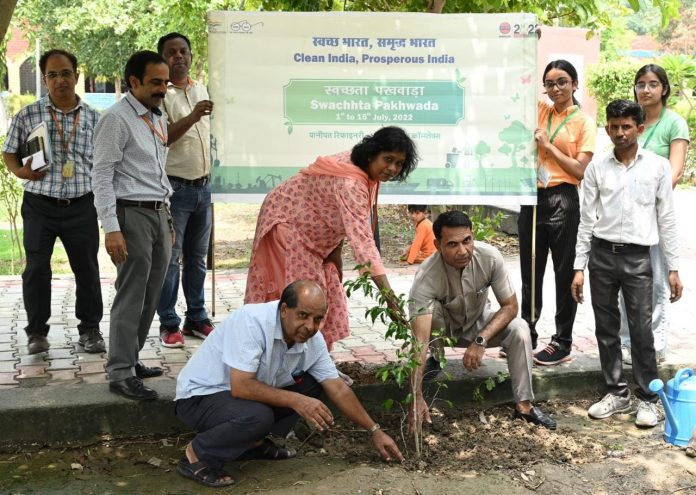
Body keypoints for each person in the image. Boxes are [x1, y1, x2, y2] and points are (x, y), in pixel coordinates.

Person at [175, 280, 403, 488]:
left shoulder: (314, 341)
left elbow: (338, 387)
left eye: (317, 319)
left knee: (315, 383)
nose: (310, 326)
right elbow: (242, 386)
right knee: (259, 415)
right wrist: (298, 401)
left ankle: (251, 443)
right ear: (284, 310)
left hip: (238, 400)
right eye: (302, 315)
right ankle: (198, 454)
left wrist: (375, 430)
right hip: (199, 397)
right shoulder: (252, 321)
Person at [93, 51, 206, 401]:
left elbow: (156, 172)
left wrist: (167, 217)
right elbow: (101, 175)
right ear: (134, 82)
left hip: (158, 213)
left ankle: (131, 358)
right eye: (155, 82)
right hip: (130, 216)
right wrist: (111, 227)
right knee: (132, 293)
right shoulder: (116, 119)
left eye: (165, 82)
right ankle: (120, 373)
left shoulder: (156, 116)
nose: (162, 89)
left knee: (153, 291)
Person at [245, 126, 418, 350]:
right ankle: (290, 361)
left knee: (325, 287)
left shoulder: (360, 166)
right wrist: (390, 299)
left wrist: (334, 250)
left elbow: (337, 212)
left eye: (399, 163)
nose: (392, 168)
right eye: (388, 159)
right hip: (288, 227)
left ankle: (315, 359)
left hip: (314, 234)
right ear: (371, 154)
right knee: (300, 298)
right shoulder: (351, 184)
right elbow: (364, 244)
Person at [571, 99, 683, 428]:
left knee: (641, 329)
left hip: (639, 257)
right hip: (602, 257)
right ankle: (616, 393)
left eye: (626, 127)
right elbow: (586, 220)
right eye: (614, 127)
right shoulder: (596, 168)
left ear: (639, 128)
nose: (620, 133)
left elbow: (667, 219)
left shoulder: (658, 167)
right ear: (607, 128)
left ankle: (649, 398)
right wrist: (579, 267)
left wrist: (673, 267)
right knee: (605, 327)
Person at [408, 211, 556, 431]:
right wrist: (416, 397)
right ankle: (437, 358)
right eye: (452, 244)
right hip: (442, 331)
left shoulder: (490, 257)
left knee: (521, 328)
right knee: (431, 313)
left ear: (472, 236)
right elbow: (419, 341)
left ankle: (524, 405)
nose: (462, 251)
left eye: (467, 241)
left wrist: (481, 340)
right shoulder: (425, 276)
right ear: (438, 245)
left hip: (479, 324)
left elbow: (510, 306)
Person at [2, 49, 104, 355]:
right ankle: (36, 333)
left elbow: (104, 162)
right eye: (52, 75)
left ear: (76, 75)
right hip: (39, 205)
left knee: (86, 269)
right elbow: (9, 151)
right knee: (36, 269)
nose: (60, 80)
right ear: (45, 79)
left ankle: (90, 330)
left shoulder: (94, 119)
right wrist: (20, 171)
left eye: (65, 73)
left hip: (82, 205)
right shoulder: (29, 114)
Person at [517, 59, 597, 366]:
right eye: (549, 83)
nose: (555, 88)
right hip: (531, 197)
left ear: (575, 84)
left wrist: (549, 147)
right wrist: (524, 44)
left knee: (564, 273)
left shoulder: (584, 122)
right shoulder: (541, 110)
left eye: (562, 81)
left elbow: (578, 170)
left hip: (563, 198)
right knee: (530, 270)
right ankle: (527, 333)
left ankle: (562, 341)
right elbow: (517, 84)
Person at [619, 64, 690, 365]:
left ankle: (656, 343)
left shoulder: (675, 123)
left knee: (657, 279)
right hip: (625, 213)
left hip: (657, 212)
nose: (645, 90)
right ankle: (625, 342)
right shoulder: (630, 120)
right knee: (625, 278)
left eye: (652, 84)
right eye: (640, 84)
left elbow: (673, 173)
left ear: (664, 88)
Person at [155, 32, 215, 348]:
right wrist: (193, 115)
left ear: (191, 56)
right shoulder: (160, 95)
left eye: (183, 51)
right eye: (171, 52)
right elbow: (165, 136)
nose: (178, 56)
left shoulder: (201, 88)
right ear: (162, 59)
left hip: (204, 187)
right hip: (175, 189)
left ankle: (197, 317)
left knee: (197, 258)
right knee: (170, 258)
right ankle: (168, 323)